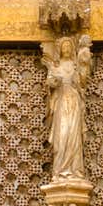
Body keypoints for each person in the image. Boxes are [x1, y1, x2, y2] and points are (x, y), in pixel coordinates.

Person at [42, 36, 92, 181]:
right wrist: (53, 82)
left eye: (69, 46)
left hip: (74, 101)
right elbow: (49, 83)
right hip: (61, 103)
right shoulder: (56, 66)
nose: (67, 49)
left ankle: (75, 170)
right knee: (62, 135)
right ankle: (59, 171)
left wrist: (84, 65)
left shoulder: (75, 66)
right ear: (60, 49)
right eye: (64, 46)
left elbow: (82, 82)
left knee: (74, 135)